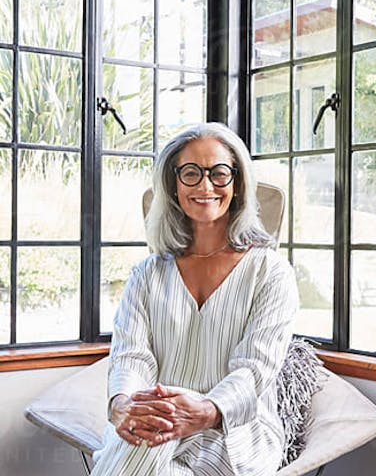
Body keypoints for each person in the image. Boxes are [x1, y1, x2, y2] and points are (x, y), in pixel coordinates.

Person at [91, 122, 299, 476]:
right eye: (191, 173)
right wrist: (122, 405)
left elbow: (254, 369)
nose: (205, 186)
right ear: (173, 184)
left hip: (234, 430)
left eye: (219, 174)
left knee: (136, 454)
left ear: (237, 182)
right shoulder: (147, 275)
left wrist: (206, 410)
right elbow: (131, 356)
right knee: (145, 443)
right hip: (159, 422)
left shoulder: (271, 272)